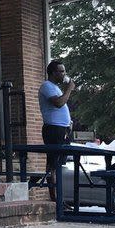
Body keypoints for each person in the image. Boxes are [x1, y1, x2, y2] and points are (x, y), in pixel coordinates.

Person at [38, 60, 76, 201]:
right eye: (61, 71)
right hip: (53, 130)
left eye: (64, 71)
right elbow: (59, 103)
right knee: (53, 165)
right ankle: (55, 198)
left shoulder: (56, 87)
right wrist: (69, 89)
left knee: (59, 164)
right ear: (53, 73)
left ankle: (60, 198)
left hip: (63, 130)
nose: (64, 74)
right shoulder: (47, 86)